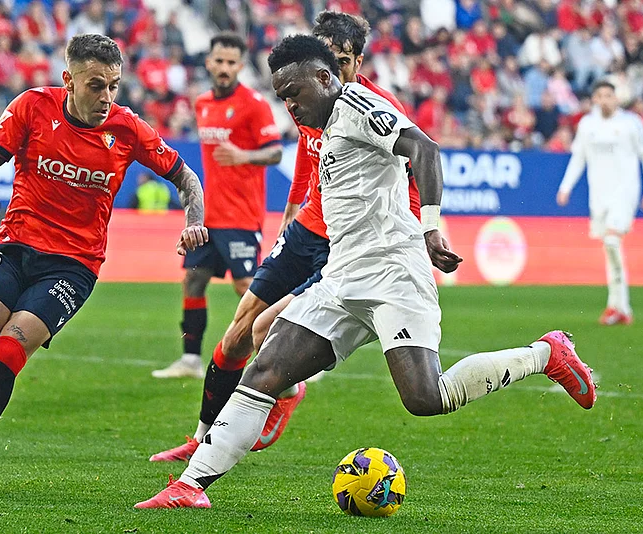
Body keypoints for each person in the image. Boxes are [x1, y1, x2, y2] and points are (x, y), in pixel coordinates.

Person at [135, 34, 597, 509]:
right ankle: (190, 486)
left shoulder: (359, 106)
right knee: (266, 368)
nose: (290, 104)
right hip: (341, 277)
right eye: (282, 97)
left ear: (323, 76)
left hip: (394, 273)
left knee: (424, 397)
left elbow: (425, 149)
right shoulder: (324, 124)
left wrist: (431, 228)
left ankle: (546, 354)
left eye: (294, 91)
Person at [0, 34, 208, 494]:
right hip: (16, 244)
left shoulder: (126, 128)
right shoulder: (32, 107)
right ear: (69, 80)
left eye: (114, 86)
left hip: (73, 266)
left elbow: (186, 177)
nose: (106, 98)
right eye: (96, 85)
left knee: (6, 354)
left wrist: (193, 222)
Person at [148, 11, 430, 464]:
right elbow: (306, 154)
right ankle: (201, 437)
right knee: (239, 327)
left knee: (267, 330)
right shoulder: (310, 95)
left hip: (346, 239)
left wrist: (416, 229)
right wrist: (292, 210)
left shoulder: (377, 108)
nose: (330, 71)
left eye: (340, 61)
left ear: (357, 61)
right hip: (306, 226)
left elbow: (413, 169)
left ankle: (287, 390)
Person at [151, 32, 282, 379]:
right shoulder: (203, 103)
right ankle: (191, 360)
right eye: (218, 61)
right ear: (209, 62)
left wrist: (244, 155)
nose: (224, 68)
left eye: (231, 62)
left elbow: (276, 151)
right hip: (208, 217)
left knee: (248, 288)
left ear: (240, 65)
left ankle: (284, 354)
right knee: (193, 283)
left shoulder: (254, 104)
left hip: (241, 216)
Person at [557, 80, 643, 326]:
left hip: (625, 191)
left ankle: (618, 306)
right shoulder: (587, 125)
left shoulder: (631, 123)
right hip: (599, 195)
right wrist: (565, 187)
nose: (605, 99)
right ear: (594, 99)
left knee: (612, 240)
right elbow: (578, 158)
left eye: (609, 95)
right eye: (600, 95)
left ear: (616, 98)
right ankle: (619, 308)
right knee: (609, 248)